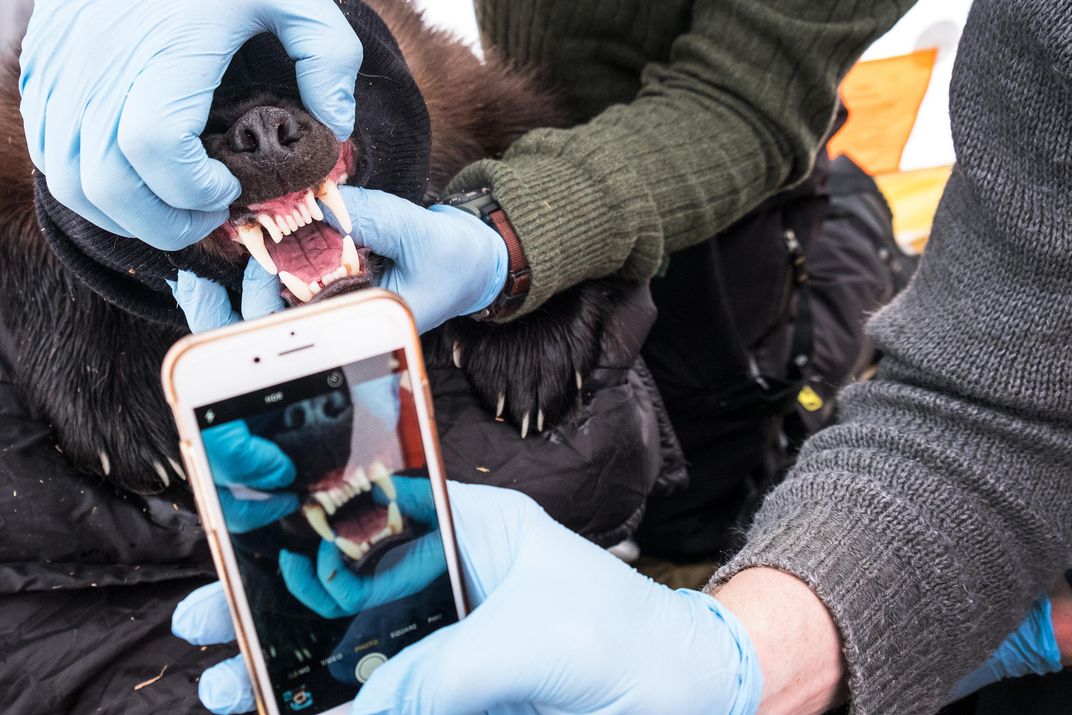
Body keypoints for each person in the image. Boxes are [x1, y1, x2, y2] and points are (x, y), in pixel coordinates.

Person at [17, 0, 1072, 713]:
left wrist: (522, 236)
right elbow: (1004, 393)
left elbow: (748, 97)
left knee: (709, 404)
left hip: (674, 219)